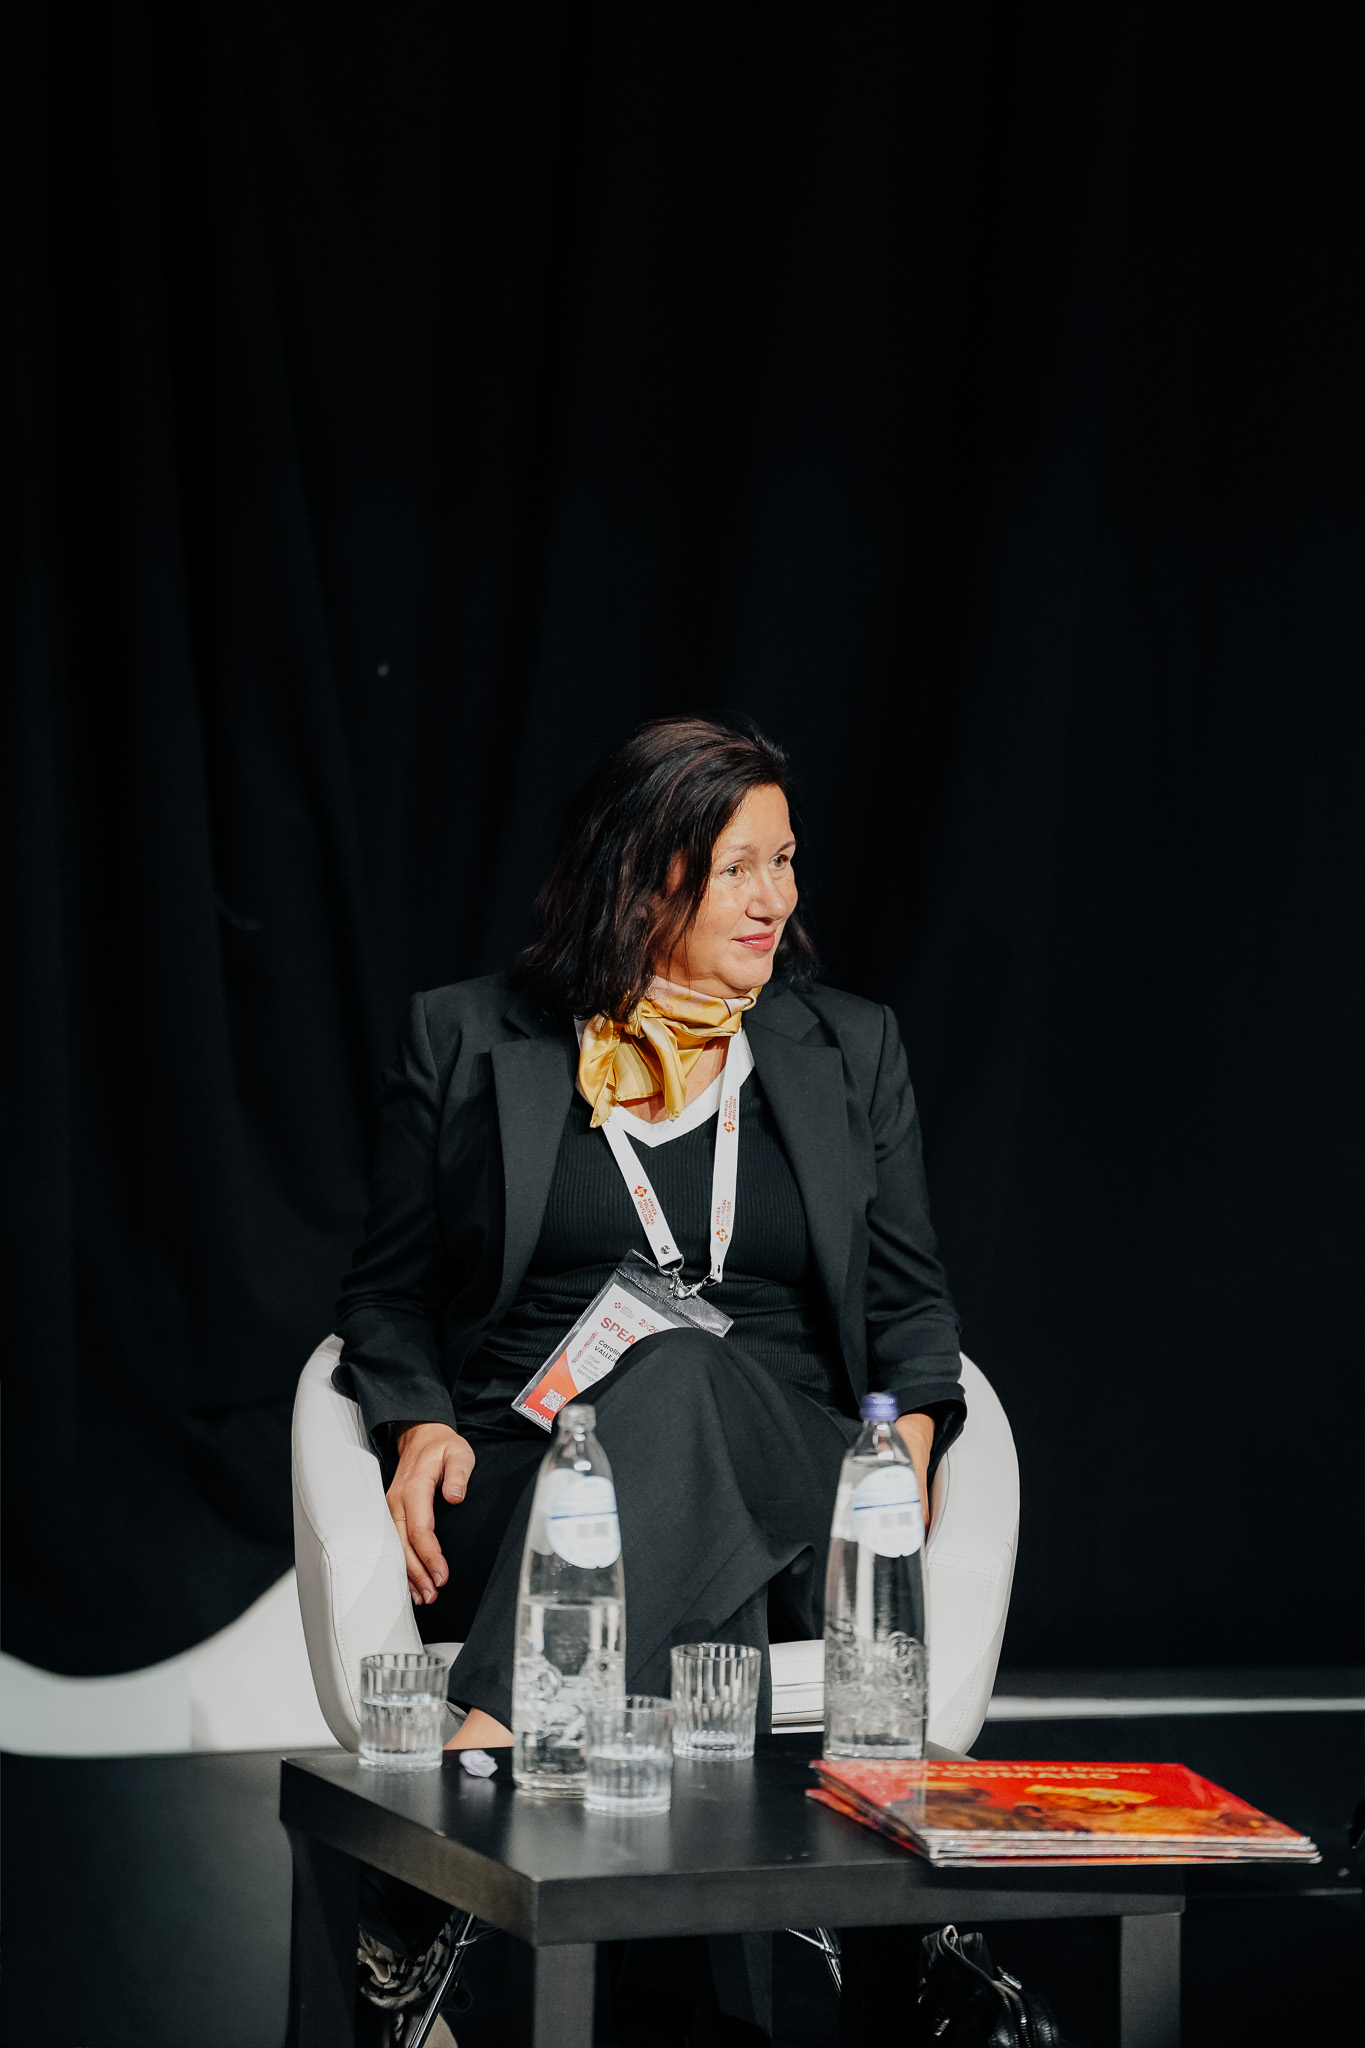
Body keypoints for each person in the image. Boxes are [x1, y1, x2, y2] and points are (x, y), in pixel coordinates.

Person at [335, 715, 964, 1757]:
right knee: (702, 1565)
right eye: (737, 869)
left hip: (792, 1476)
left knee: (682, 1368)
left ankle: (494, 1744)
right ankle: (745, 1863)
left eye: (784, 861)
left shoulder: (852, 1048)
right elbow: (388, 1292)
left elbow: (910, 1302)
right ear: (637, 880)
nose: (775, 899)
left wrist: (902, 1458)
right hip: (532, 1471)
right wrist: (415, 1424)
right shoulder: (462, 1037)